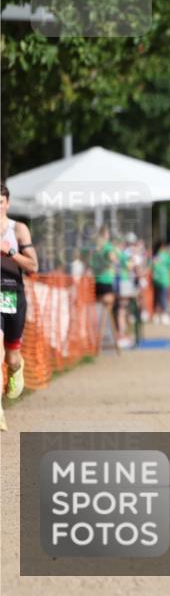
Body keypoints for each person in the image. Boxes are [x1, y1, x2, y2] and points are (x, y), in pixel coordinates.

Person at [0, 184, 38, 431]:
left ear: (7, 203)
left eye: (0, 201)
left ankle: (16, 367)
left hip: (10, 292)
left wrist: (11, 252)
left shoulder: (18, 229)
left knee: (11, 356)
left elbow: (33, 266)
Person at [92, 226, 122, 347]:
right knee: (111, 310)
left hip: (97, 282)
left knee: (101, 312)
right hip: (106, 282)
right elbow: (113, 258)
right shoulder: (108, 247)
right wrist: (115, 259)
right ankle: (111, 338)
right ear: (106, 235)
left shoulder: (96, 248)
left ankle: (102, 338)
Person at [151, 240, 170, 325]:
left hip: (155, 280)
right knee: (164, 298)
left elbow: (151, 266)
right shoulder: (166, 256)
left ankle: (156, 316)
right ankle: (164, 315)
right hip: (164, 280)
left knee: (157, 298)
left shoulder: (155, 255)